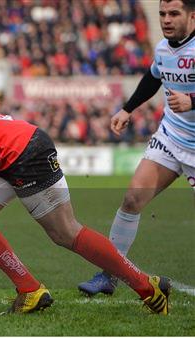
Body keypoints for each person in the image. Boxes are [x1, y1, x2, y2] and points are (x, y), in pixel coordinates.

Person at [0, 105, 171, 315]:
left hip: (23, 153)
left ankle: (147, 286)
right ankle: (30, 290)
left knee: (65, 232)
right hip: (11, 151)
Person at [78, 0, 195, 297]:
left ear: (192, 15)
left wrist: (192, 101)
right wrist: (127, 109)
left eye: (174, 14)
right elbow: (153, 78)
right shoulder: (163, 49)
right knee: (132, 198)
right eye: (162, 14)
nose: (166, 20)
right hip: (171, 137)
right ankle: (111, 273)